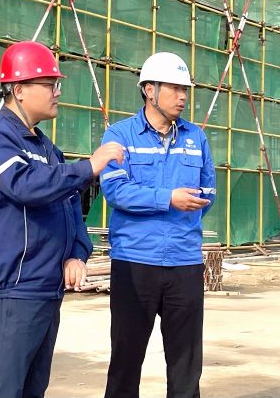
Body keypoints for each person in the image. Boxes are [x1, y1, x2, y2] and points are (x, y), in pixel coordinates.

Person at [0, 40, 125, 398]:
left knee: (32, 390)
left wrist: (76, 253)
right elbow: (25, 186)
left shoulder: (46, 149)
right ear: (19, 89)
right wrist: (89, 166)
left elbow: (70, 208)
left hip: (45, 289)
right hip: (11, 290)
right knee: (2, 391)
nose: (57, 92)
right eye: (49, 84)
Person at [99, 51, 217, 398]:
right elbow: (116, 191)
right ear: (149, 90)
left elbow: (208, 192)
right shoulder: (120, 135)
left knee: (186, 364)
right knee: (126, 359)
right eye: (174, 88)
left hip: (185, 262)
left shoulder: (196, 138)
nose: (182, 97)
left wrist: (179, 220)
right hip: (135, 262)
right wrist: (168, 200)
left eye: (185, 90)